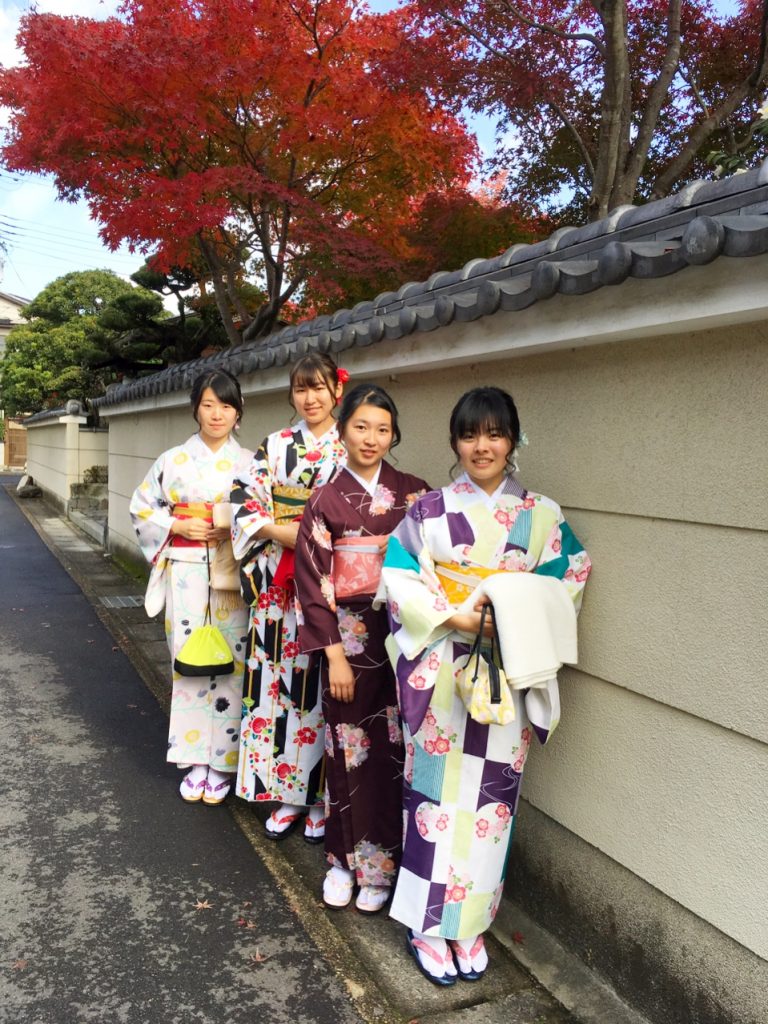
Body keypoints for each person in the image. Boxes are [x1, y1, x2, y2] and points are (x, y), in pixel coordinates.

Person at [380, 386, 591, 984]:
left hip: (508, 666)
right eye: (470, 434)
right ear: (455, 442)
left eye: (495, 434)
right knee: (433, 795)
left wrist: (514, 611)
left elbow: (572, 573)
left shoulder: (541, 514)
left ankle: (469, 923)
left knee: (491, 803)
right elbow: (398, 573)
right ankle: (427, 925)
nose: (482, 446)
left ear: (512, 440)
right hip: (442, 663)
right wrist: (459, 616)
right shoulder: (428, 510)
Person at [294, 383, 429, 913]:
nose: (371, 438)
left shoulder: (416, 495)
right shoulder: (324, 500)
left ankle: (385, 868)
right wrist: (332, 655)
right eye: (361, 427)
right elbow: (312, 583)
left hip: (406, 636)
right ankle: (343, 862)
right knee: (347, 747)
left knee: (399, 752)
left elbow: (437, 567)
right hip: (348, 641)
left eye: (383, 429)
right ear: (343, 430)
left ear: (393, 435)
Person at [231, 353, 347, 842]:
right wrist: (288, 533)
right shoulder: (275, 445)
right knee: (274, 684)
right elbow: (244, 501)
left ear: (337, 391)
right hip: (277, 582)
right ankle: (285, 795)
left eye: (319, 387)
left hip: (327, 583)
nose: (310, 398)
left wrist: (312, 538)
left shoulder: (350, 444)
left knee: (319, 686)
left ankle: (321, 799)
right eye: (301, 389)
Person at [130, 369, 252, 805]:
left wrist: (230, 527)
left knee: (231, 658)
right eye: (208, 405)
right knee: (188, 657)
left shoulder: (250, 463)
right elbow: (142, 508)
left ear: (238, 412)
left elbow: (261, 514)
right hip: (183, 568)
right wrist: (177, 524)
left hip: (230, 571)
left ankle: (223, 762)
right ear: (195, 409)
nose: (217, 414)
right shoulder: (172, 460)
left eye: (226, 405)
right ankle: (194, 759)